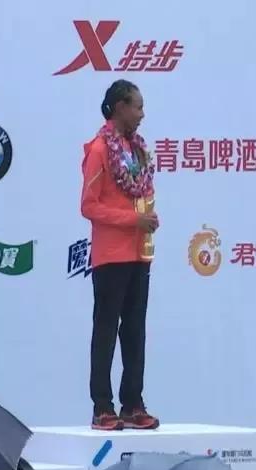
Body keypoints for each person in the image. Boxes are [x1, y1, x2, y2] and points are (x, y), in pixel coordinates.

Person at [81, 79, 160, 431]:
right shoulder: (100, 149)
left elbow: (140, 194)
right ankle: (102, 405)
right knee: (106, 329)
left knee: (135, 330)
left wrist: (146, 219)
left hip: (138, 253)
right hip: (111, 255)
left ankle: (133, 403)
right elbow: (89, 205)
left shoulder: (138, 150)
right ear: (119, 107)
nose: (142, 114)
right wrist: (132, 220)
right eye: (137, 107)